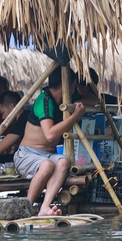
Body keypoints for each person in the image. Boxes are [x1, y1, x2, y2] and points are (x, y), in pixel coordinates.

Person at [15, 68, 85, 216]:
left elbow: (92, 99)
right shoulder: (44, 100)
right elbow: (50, 135)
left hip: (47, 155)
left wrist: (80, 102)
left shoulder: (66, 98)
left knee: (63, 162)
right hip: (27, 154)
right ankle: (25, 209)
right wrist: (74, 117)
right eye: (75, 85)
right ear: (70, 84)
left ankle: (44, 208)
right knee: (47, 165)